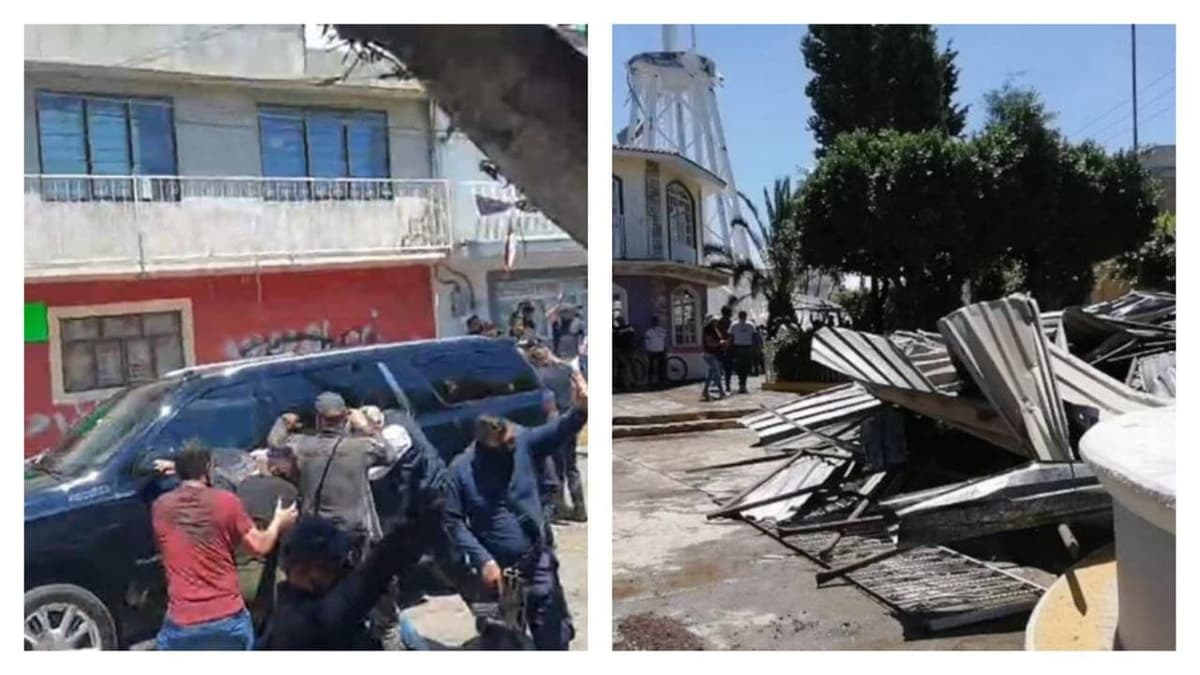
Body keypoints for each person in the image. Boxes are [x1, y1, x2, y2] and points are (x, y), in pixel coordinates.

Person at [443, 372, 588, 650]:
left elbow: (560, 430)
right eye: (507, 444)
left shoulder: (523, 443)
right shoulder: (460, 471)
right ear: (488, 445)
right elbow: (453, 521)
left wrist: (581, 409)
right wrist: (482, 559)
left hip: (537, 563)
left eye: (514, 438)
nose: (514, 445)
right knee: (501, 643)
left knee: (554, 637)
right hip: (497, 577)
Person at [267, 393, 406, 650]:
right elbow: (389, 452)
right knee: (376, 611)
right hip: (355, 542)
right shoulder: (360, 447)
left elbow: (275, 444)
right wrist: (366, 426)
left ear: (319, 420)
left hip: (316, 548)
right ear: (344, 418)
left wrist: (284, 421)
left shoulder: (303, 447)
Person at [151, 441, 298, 650]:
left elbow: (164, 549)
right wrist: (279, 522)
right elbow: (261, 545)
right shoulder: (226, 502)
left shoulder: (161, 507)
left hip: (181, 619)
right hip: (226, 616)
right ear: (208, 469)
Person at [260, 517, 426, 650]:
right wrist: (419, 526)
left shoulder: (283, 604)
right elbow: (374, 573)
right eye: (331, 565)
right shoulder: (320, 615)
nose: (343, 570)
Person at [234, 448, 300, 633]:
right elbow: (290, 544)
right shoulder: (287, 491)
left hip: (234, 576)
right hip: (264, 579)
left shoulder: (244, 485)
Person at [528, 345, 587, 522]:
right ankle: (580, 507)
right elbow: (581, 388)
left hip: (552, 423)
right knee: (572, 466)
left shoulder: (538, 376)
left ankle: (560, 507)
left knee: (555, 466)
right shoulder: (566, 369)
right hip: (570, 417)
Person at [729, 311, 757, 394]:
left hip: (739, 347)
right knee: (745, 366)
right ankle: (742, 384)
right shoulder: (751, 325)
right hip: (746, 347)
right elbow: (754, 337)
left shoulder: (734, 324)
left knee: (740, 366)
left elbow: (731, 337)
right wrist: (755, 348)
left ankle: (742, 384)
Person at [701, 315, 728, 402]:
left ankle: (705, 391)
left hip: (714, 354)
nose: (716, 323)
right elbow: (709, 344)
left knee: (711, 374)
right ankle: (721, 392)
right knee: (717, 374)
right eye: (714, 321)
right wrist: (720, 344)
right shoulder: (708, 331)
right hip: (709, 355)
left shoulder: (715, 330)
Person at [643, 316, 668, 388]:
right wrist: (648, 350)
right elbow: (646, 342)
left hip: (660, 350)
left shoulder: (661, 330)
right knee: (652, 367)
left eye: (656, 322)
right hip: (652, 351)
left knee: (660, 366)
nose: (655, 323)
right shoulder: (648, 332)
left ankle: (661, 380)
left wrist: (665, 348)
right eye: (654, 322)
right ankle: (651, 381)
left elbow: (665, 339)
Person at [717, 305, 735, 393]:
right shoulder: (730, 323)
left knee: (720, 367)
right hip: (729, 347)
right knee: (728, 368)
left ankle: (720, 385)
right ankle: (727, 385)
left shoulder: (718, 322)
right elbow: (732, 335)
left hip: (720, 346)